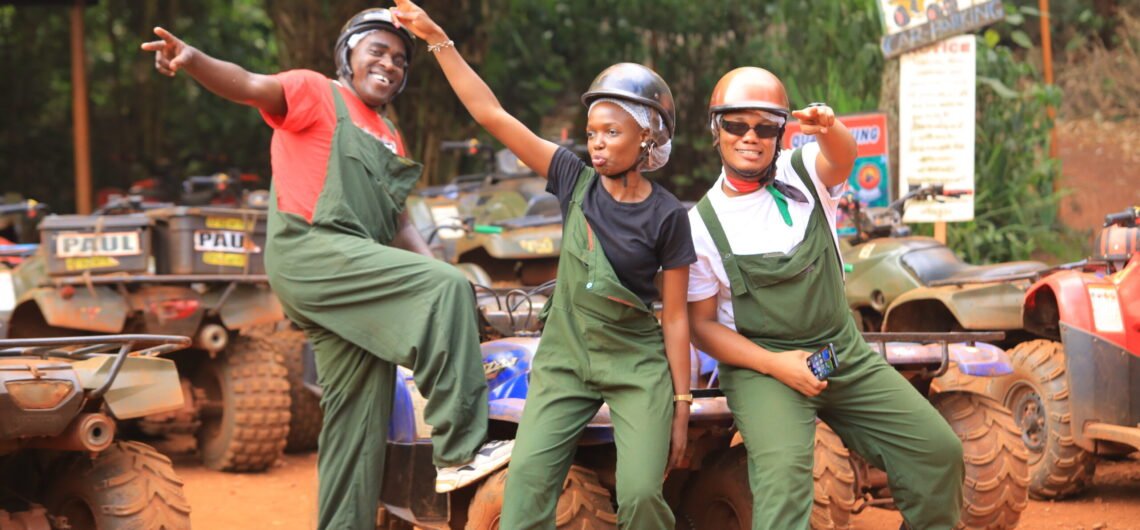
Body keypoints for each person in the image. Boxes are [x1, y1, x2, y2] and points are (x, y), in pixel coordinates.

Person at [141, 10, 510, 529]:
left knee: (358, 416)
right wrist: (192, 59)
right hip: (312, 250)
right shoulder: (315, 91)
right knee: (442, 289)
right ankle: (461, 450)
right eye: (377, 51)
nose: (390, 64)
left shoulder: (390, 134)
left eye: (401, 60)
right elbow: (249, 84)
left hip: (357, 268)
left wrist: (450, 282)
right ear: (349, 54)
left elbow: (399, 226)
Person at [391, 1, 696, 527]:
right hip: (564, 360)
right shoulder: (571, 178)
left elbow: (673, 316)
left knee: (642, 495)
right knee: (527, 489)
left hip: (636, 367)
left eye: (611, 132)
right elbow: (491, 115)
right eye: (592, 131)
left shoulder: (669, 217)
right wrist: (438, 39)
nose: (596, 144)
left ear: (647, 136)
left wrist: (683, 406)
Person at [685, 67, 965, 530]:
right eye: (736, 124)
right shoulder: (701, 224)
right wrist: (779, 366)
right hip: (762, 369)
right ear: (717, 129)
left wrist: (831, 128)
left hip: (839, 353)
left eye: (765, 126)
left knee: (936, 452)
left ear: (780, 132)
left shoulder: (803, 173)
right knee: (784, 486)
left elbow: (843, 157)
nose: (750, 137)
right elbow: (704, 327)